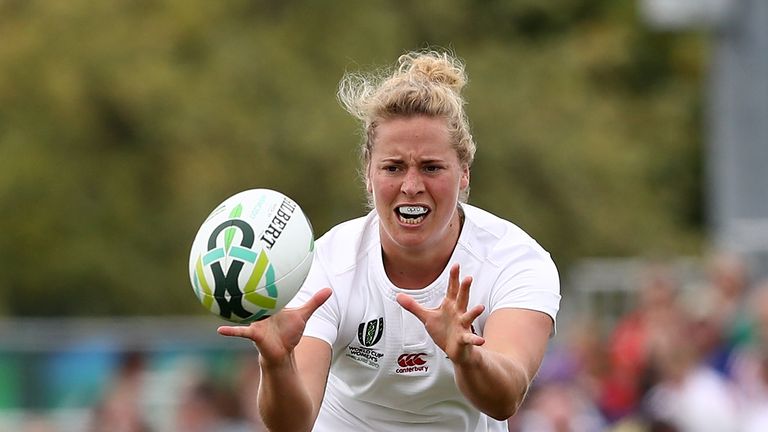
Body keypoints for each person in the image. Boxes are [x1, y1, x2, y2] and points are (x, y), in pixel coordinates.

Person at [217, 49, 561, 431]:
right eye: (393, 168)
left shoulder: (516, 260)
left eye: (431, 167)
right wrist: (278, 364)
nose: (411, 186)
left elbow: (506, 398)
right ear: (368, 173)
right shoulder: (326, 264)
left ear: (464, 172)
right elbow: (293, 424)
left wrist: (466, 357)